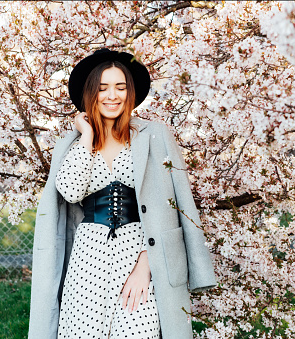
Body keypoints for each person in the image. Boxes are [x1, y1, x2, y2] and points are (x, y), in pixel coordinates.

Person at [28, 48, 217, 339]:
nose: (112, 96)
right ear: (91, 93)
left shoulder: (155, 135)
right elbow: (70, 191)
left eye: (120, 87)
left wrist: (145, 266)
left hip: (139, 254)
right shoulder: (73, 143)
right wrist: (88, 136)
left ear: (131, 93)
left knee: (138, 331)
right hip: (88, 258)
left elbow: (176, 206)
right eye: (103, 88)